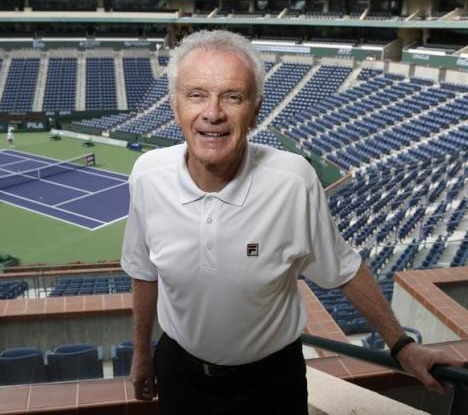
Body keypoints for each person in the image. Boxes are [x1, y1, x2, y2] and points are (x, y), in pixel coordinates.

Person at [121, 30, 464, 415]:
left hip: (271, 383)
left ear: (256, 110)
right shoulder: (147, 175)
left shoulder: (293, 181)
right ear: (174, 105)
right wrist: (140, 354)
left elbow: (345, 270)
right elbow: (144, 272)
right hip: (181, 374)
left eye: (233, 97)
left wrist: (401, 345)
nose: (213, 113)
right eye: (196, 94)